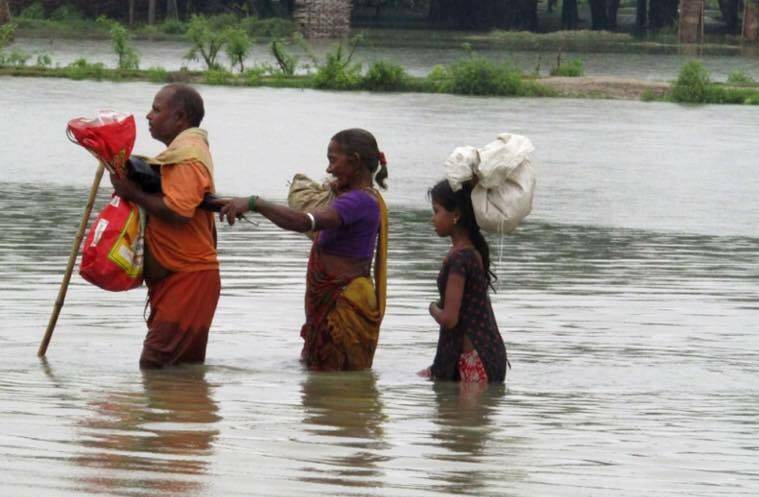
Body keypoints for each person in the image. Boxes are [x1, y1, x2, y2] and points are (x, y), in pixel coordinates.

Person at [219, 129, 388, 371]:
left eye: (333, 160)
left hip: (343, 306)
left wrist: (256, 203)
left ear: (356, 160)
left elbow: (302, 223)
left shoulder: (357, 202)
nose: (328, 169)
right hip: (336, 302)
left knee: (334, 386)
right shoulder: (358, 198)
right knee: (327, 387)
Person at [110, 84, 220, 369]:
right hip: (179, 276)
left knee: (155, 364)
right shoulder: (180, 154)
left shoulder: (187, 155)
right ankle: (183, 410)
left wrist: (131, 192)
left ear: (180, 117)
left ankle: (176, 411)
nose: (148, 116)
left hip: (188, 277)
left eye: (156, 110)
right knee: (181, 370)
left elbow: (179, 210)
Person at [420, 179, 507, 383]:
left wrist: (432, 307)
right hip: (486, 355)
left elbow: (450, 319)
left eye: (436, 211)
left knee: (456, 415)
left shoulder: (460, 259)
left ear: (456, 215)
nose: (433, 219)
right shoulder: (469, 252)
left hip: (473, 361)